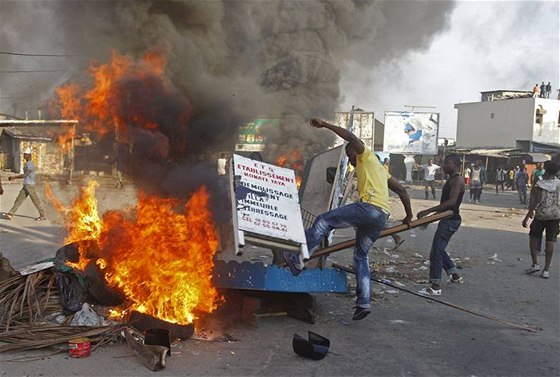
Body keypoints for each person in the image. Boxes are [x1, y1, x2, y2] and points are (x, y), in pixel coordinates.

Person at [283, 117, 413, 321]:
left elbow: (351, 137)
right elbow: (402, 191)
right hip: (380, 216)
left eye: (349, 155)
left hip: (369, 208)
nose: (350, 160)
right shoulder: (381, 171)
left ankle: (300, 258)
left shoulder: (366, 156)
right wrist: (409, 216)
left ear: (355, 150)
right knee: (361, 257)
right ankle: (364, 303)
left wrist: (325, 125)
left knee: (324, 221)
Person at [417, 154, 465, 295]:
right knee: (440, 249)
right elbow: (445, 207)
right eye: (444, 163)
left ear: (456, 165)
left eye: (448, 163)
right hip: (447, 218)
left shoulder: (457, 180)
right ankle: (454, 274)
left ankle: (435, 285)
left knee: (436, 251)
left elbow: (450, 203)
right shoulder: (452, 179)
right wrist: (430, 218)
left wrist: (427, 211)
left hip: (451, 219)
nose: (444, 166)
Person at [522, 161, 560, 279]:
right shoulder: (559, 183)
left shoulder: (540, 183)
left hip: (541, 215)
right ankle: (546, 270)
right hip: (555, 215)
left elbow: (536, 200)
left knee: (533, 237)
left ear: (546, 170)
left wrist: (527, 216)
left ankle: (535, 264)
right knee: (550, 241)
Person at [6, 148, 47, 221]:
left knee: (36, 201)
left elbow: (25, 175)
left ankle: (43, 215)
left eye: (25, 155)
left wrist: (14, 177)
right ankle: (10, 213)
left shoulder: (30, 164)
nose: (24, 156)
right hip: (26, 185)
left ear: (29, 155)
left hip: (30, 185)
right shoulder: (27, 164)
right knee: (19, 199)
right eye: (24, 154)